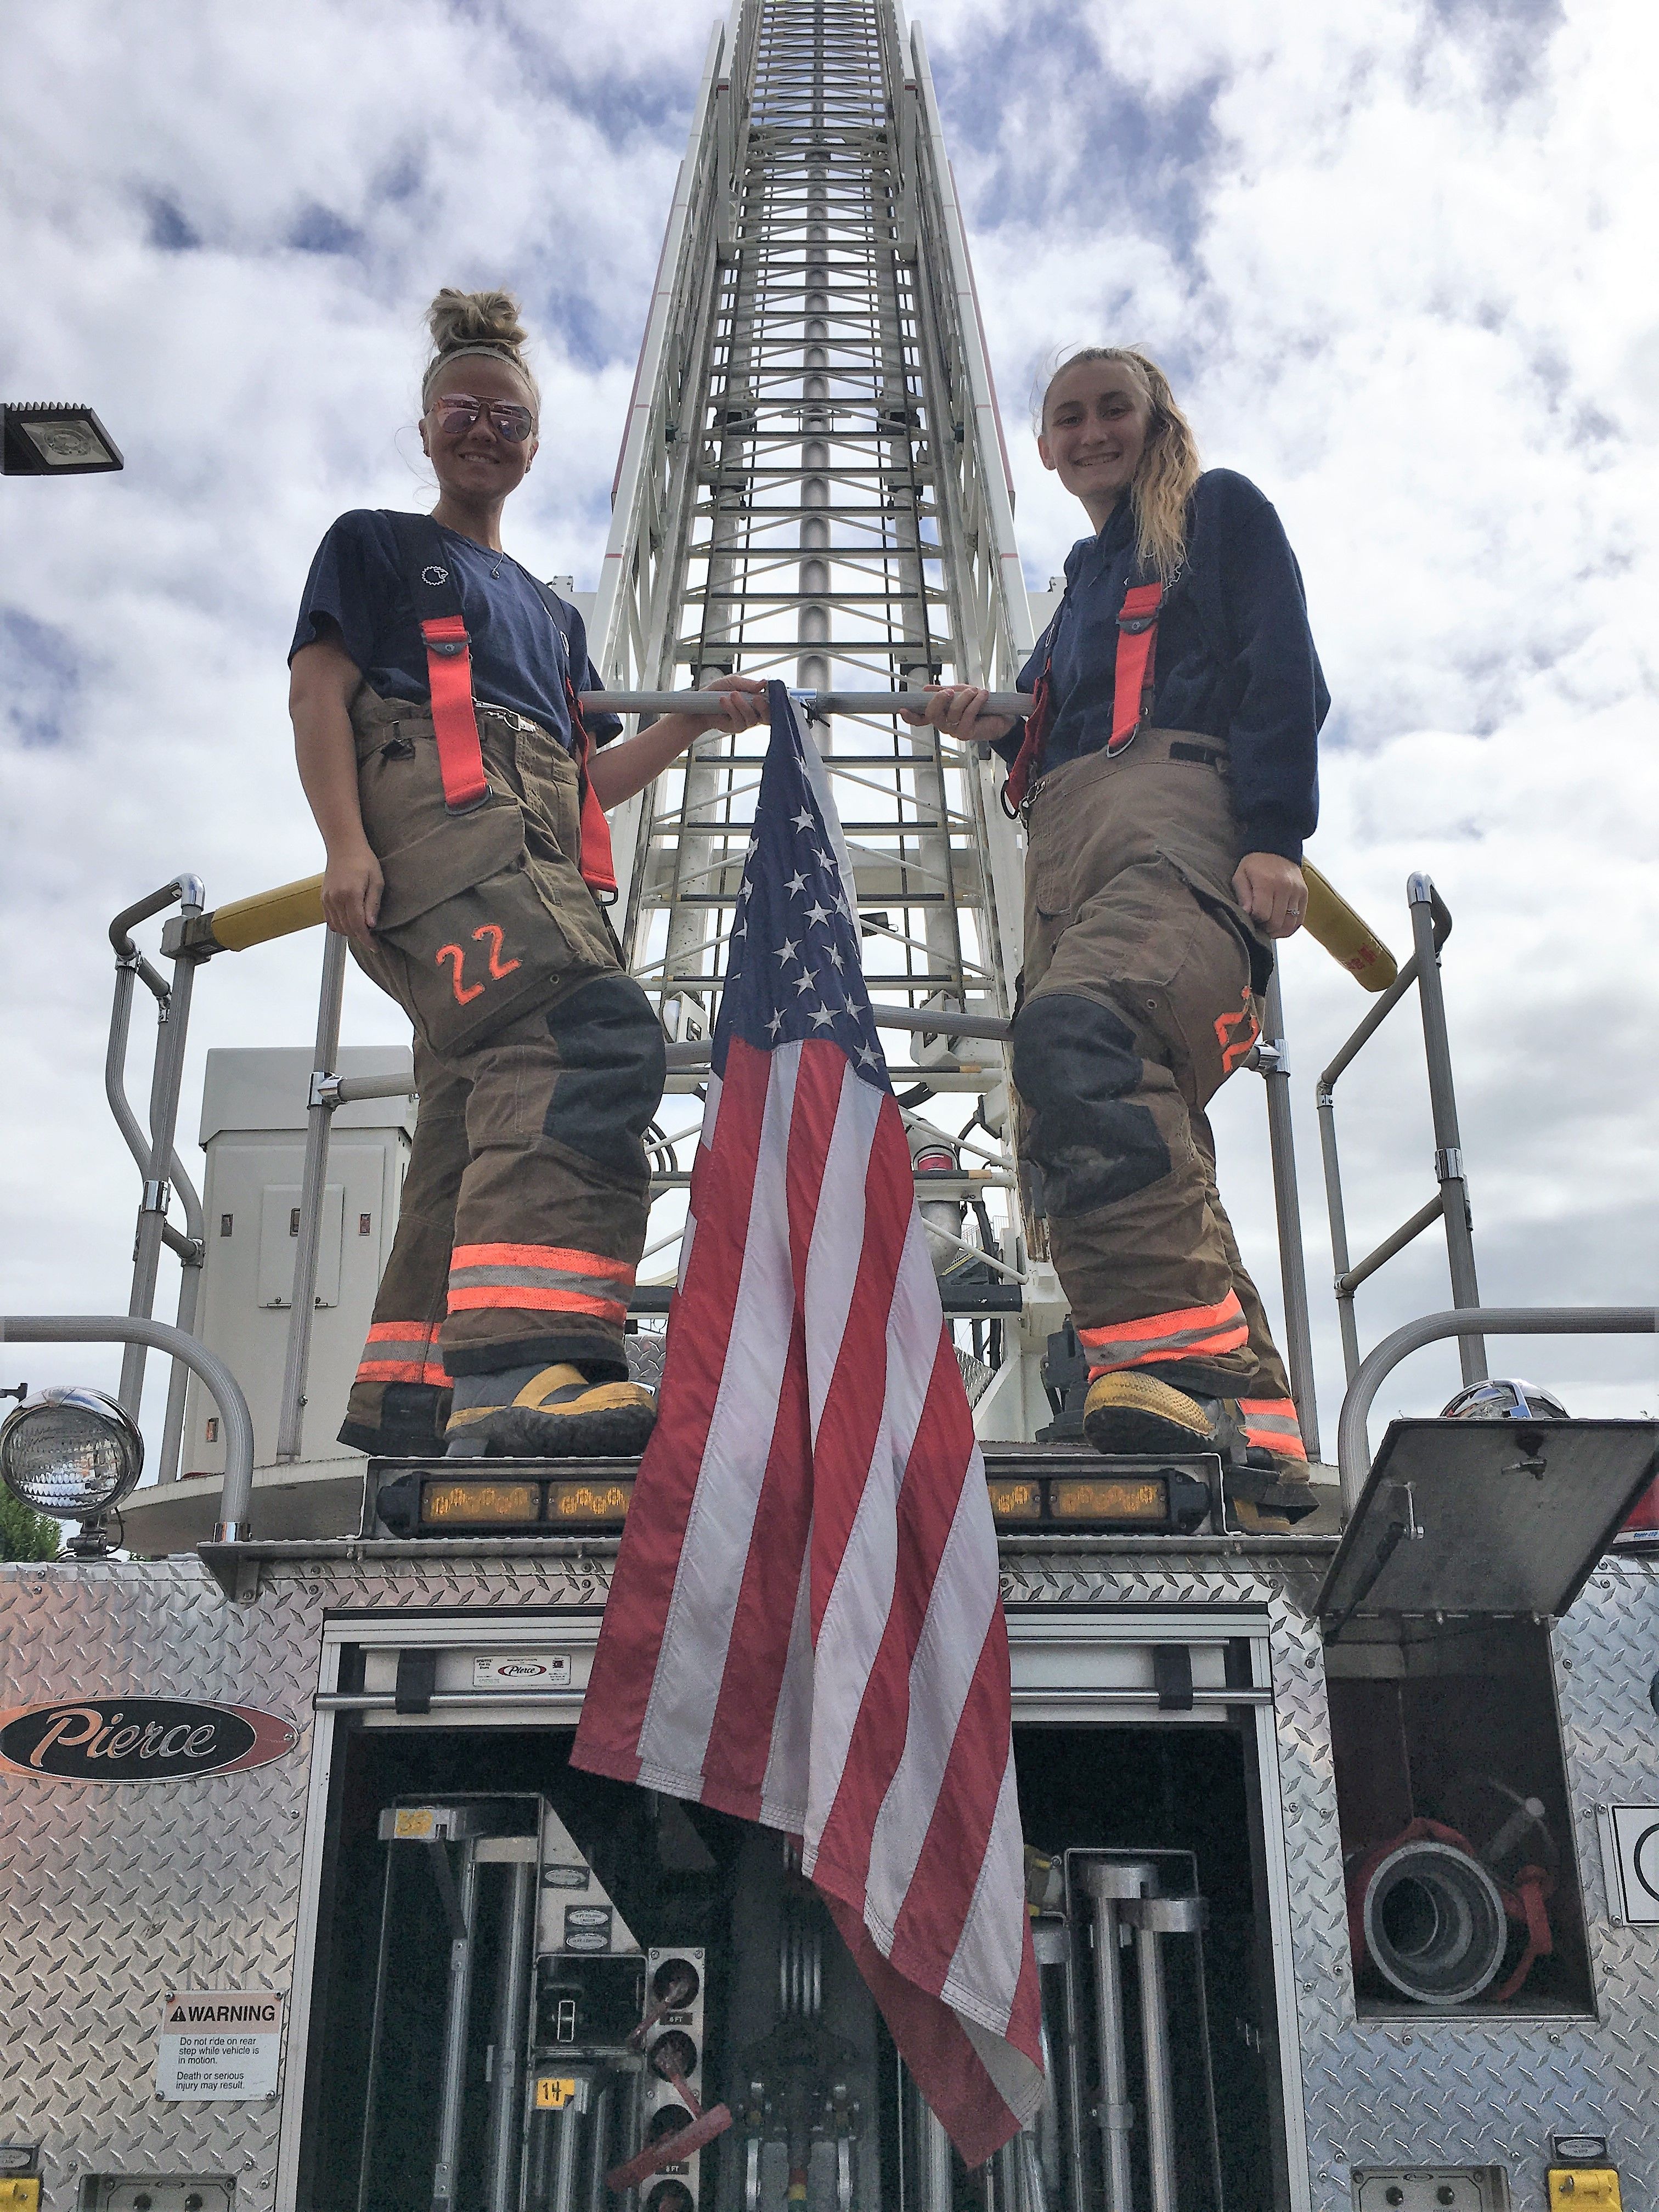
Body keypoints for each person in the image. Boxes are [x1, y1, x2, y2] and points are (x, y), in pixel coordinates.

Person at [288, 286, 764, 1458]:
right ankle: (527, 1363)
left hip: (529, 844)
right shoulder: (379, 546)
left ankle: (416, 1396)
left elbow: (585, 784)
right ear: (425, 427)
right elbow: (318, 691)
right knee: (586, 1037)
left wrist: (699, 721)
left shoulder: (551, 619)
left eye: (507, 419)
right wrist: (345, 845)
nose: (483, 431)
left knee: (469, 1114)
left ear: (534, 443)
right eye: (462, 409)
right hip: (438, 832)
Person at [902, 347, 1325, 1474]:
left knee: (1085, 1036)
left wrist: (1277, 838)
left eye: (1112, 411)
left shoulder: (1219, 513)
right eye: (1068, 419)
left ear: (1155, 421)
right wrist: (989, 720)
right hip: (1071, 867)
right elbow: (1058, 715)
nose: (1091, 433)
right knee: (1145, 1146)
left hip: (1175, 840)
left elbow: (1284, 669)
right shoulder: (1089, 582)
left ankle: (1166, 1375)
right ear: (1043, 448)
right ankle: (1261, 1437)